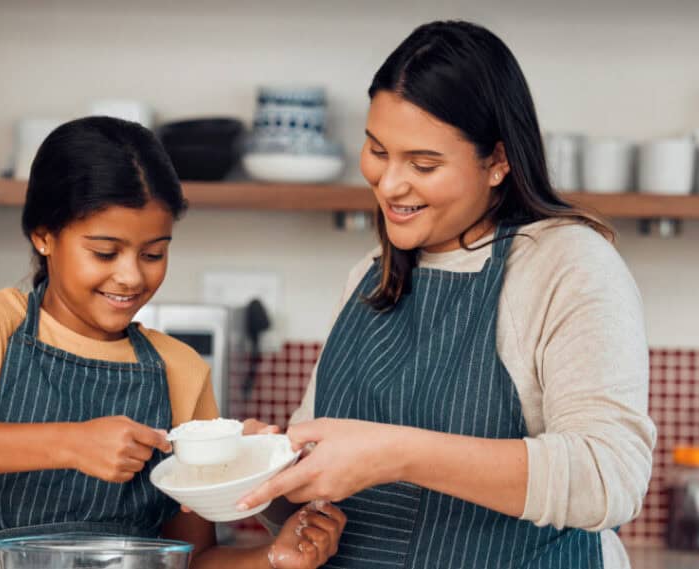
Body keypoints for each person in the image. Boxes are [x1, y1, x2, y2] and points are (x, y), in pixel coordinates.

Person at [238, 21, 655, 569]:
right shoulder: (370, 273)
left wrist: (397, 455)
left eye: (423, 164)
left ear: (497, 161)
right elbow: (320, 496)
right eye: (377, 150)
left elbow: (609, 477)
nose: (389, 184)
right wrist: (268, 469)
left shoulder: (567, 264)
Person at [0, 116, 346, 569]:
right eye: (105, 252)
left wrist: (272, 557)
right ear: (44, 235)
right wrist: (71, 443)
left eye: (153, 253)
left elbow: (193, 558)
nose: (131, 276)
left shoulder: (179, 368)